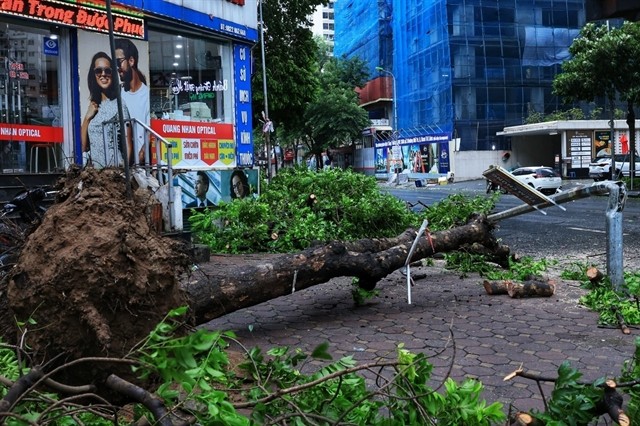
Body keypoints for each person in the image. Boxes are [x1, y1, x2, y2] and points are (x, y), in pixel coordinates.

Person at [81, 52, 133, 168]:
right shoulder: (94, 106)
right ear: (93, 75)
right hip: (96, 172)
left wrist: (124, 171)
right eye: (98, 71)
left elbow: (127, 142)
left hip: (113, 169)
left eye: (107, 71)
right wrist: (87, 118)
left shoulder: (119, 104)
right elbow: (83, 147)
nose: (103, 74)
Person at [115, 38, 150, 165]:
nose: (117, 67)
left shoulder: (146, 94)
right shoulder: (118, 93)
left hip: (141, 164)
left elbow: (149, 130)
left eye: (119, 62)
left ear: (131, 61)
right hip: (120, 162)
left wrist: (143, 152)